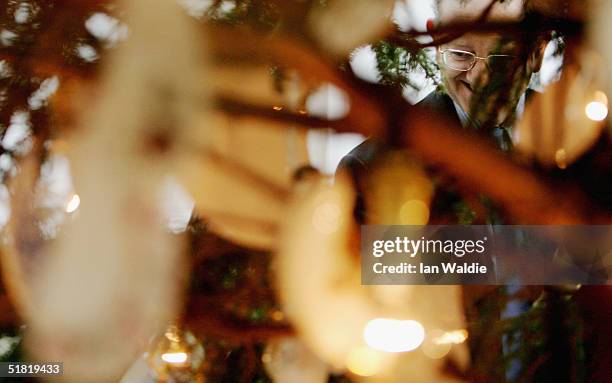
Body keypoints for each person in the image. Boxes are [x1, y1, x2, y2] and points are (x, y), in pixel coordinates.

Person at [337, 0, 548, 224]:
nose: (480, 79)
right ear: (437, 40)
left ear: (538, 51)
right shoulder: (368, 171)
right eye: (461, 54)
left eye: (502, 59)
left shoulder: (584, 150)